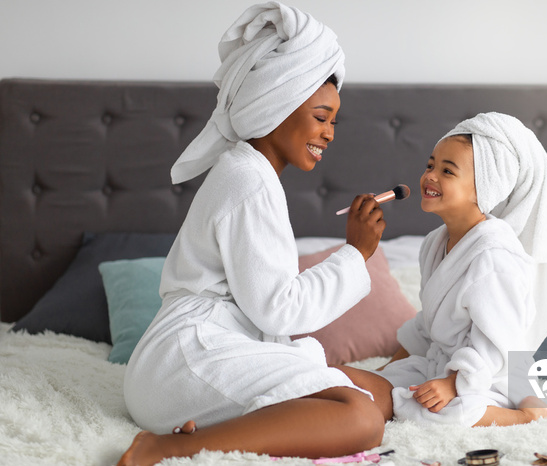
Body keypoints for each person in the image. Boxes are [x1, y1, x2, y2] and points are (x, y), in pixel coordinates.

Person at [118, 3, 390, 465]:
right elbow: (279, 311)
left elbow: (264, 307)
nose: (328, 134)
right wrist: (355, 253)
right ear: (279, 102)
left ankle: (217, 426)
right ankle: (166, 446)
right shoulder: (247, 180)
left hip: (215, 349)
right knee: (363, 417)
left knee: (378, 391)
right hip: (186, 361)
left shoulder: (250, 173)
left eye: (333, 122)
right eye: (321, 117)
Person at [364, 112, 547, 426]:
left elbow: (496, 341)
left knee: (436, 414)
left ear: (484, 189)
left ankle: (524, 416)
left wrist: (453, 384)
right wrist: (385, 370)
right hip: (444, 363)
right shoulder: (435, 243)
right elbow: (430, 322)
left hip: (488, 374)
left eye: (447, 171)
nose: (430, 176)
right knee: (359, 382)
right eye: (430, 165)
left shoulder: (494, 256)